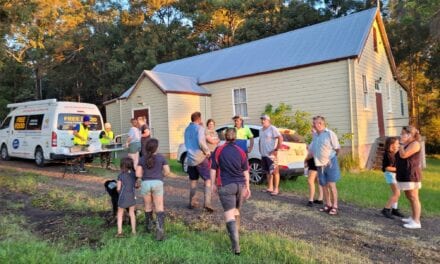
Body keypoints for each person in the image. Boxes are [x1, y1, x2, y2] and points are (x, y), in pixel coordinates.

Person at [210, 128, 251, 255]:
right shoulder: (241, 151)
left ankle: (236, 248)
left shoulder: (218, 150)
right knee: (236, 211)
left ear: (225, 137)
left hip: (226, 185)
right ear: (236, 137)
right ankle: (237, 236)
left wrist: (212, 184)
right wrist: (248, 187)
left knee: (229, 215)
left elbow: (213, 169)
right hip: (240, 185)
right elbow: (245, 171)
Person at [136, 138, 170, 240]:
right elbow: (167, 171)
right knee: (159, 207)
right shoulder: (161, 158)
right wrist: (161, 175)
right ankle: (159, 230)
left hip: (145, 184)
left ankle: (149, 228)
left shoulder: (142, 159)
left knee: (148, 206)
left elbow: (138, 173)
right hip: (157, 183)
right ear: (156, 148)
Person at [307, 116, 341, 216]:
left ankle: (335, 206)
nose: (313, 125)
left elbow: (337, 148)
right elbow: (313, 149)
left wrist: (331, 159)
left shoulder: (330, 134)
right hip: (319, 164)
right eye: (313, 123)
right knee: (324, 185)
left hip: (330, 164)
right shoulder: (315, 135)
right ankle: (328, 204)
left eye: (314, 123)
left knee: (331, 185)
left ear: (320, 124)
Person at [184, 111, 213, 212]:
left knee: (193, 181)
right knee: (208, 179)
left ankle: (192, 202)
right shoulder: (200, 128)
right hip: (200, 157)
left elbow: (186, 142)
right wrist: (207, 151)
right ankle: (207, 203)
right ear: (199, 119)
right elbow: (201, 141)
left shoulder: (186, 129)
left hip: (190, 158)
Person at [396, 126, 422, 229]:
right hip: (404, 173)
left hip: (411, 174)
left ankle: (416, 221)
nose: (401, 135)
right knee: (408, 196)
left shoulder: (415, 144)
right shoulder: (407, 143)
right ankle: (413, 217)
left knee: (414, 197)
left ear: (410, 134)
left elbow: (403, 155)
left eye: (403, 134)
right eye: (401, 133)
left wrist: (401, 144)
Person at [259, 114, 283, 196]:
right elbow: (260, 140)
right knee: (268, 172)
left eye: (264, 119)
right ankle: (270, 187)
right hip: (264, 154)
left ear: (268, 120)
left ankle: (276, 189)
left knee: (275, 171)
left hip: (271, 155)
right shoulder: (261, 130)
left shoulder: (272, 128)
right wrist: (260, 149)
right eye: (262, 119)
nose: (262, 121)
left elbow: (280, 138)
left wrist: (276, 149)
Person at [381, 136, 405, 219]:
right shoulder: (388, 154)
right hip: (390, 174)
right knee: (396, 193)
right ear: (391, 145)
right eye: (397, 144)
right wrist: (400, 169)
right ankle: (386, 209)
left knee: (397, 193)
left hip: (395, 174)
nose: (398, 145)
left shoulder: (395, 153)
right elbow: (387, 168)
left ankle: (394, 209)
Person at [116, 157, 137, 237]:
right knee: (132, 213)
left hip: (123, 197)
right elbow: (135, 185)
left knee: (120, 213)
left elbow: (118, 188)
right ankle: (134, 231)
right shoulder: (134, 175)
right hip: (132, 196)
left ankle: (120, 232)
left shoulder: (120, 175)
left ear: (122, 165)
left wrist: (118, 190)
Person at [305, 129, 323, 206]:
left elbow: (311, 154)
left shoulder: (316, 141)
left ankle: (311, 200)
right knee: (317, 181)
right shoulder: (315, 141)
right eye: (311, 131)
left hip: (314, 162)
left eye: (313, 131)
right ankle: (320, 199)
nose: (311, 132)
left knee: (310, 180)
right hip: (317, 162)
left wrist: (305, 160)